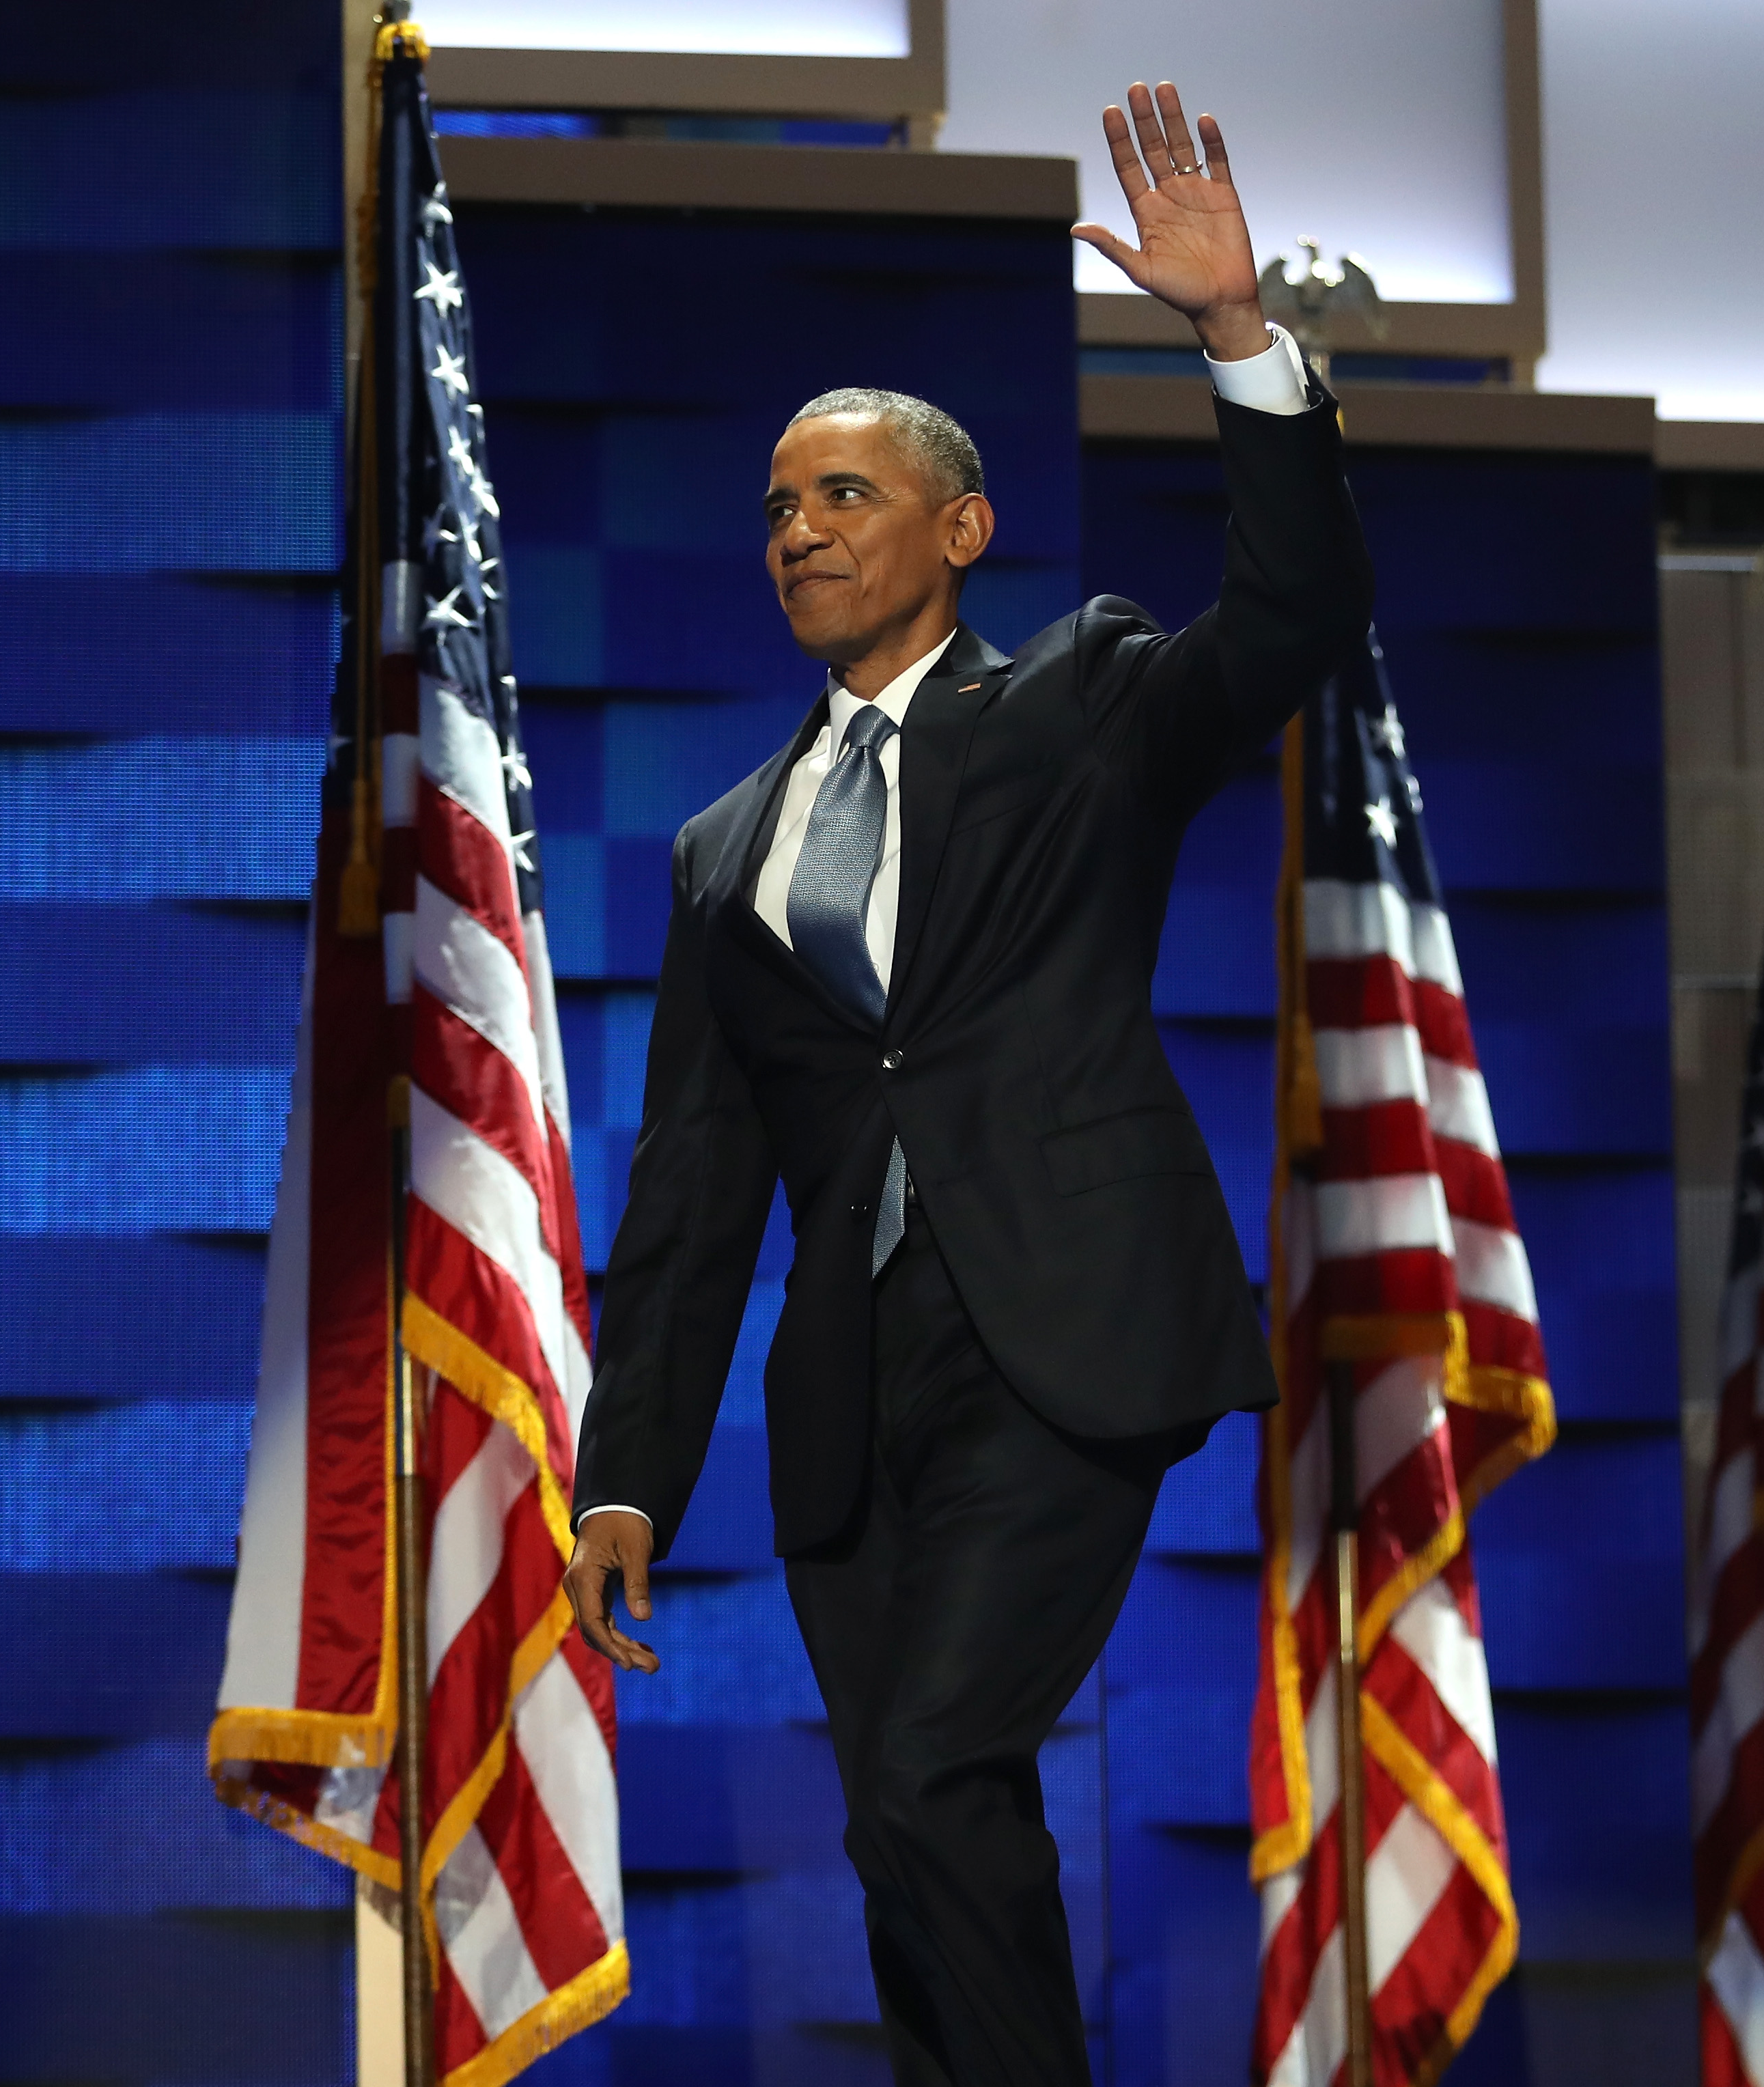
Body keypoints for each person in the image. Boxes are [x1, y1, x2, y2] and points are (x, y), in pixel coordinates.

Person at [561, 82, 1374, 2086]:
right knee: (901, 1831)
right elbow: (695, 1187)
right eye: (779, 507)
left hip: (1062, 1330)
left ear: (960, 529)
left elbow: (1291, 620)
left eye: (843, 494)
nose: (799, 531)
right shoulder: (725, 848)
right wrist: (627, 1471)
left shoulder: (1083, 701)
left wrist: (1235, 336)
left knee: (936, 1766)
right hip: (852, 1387)